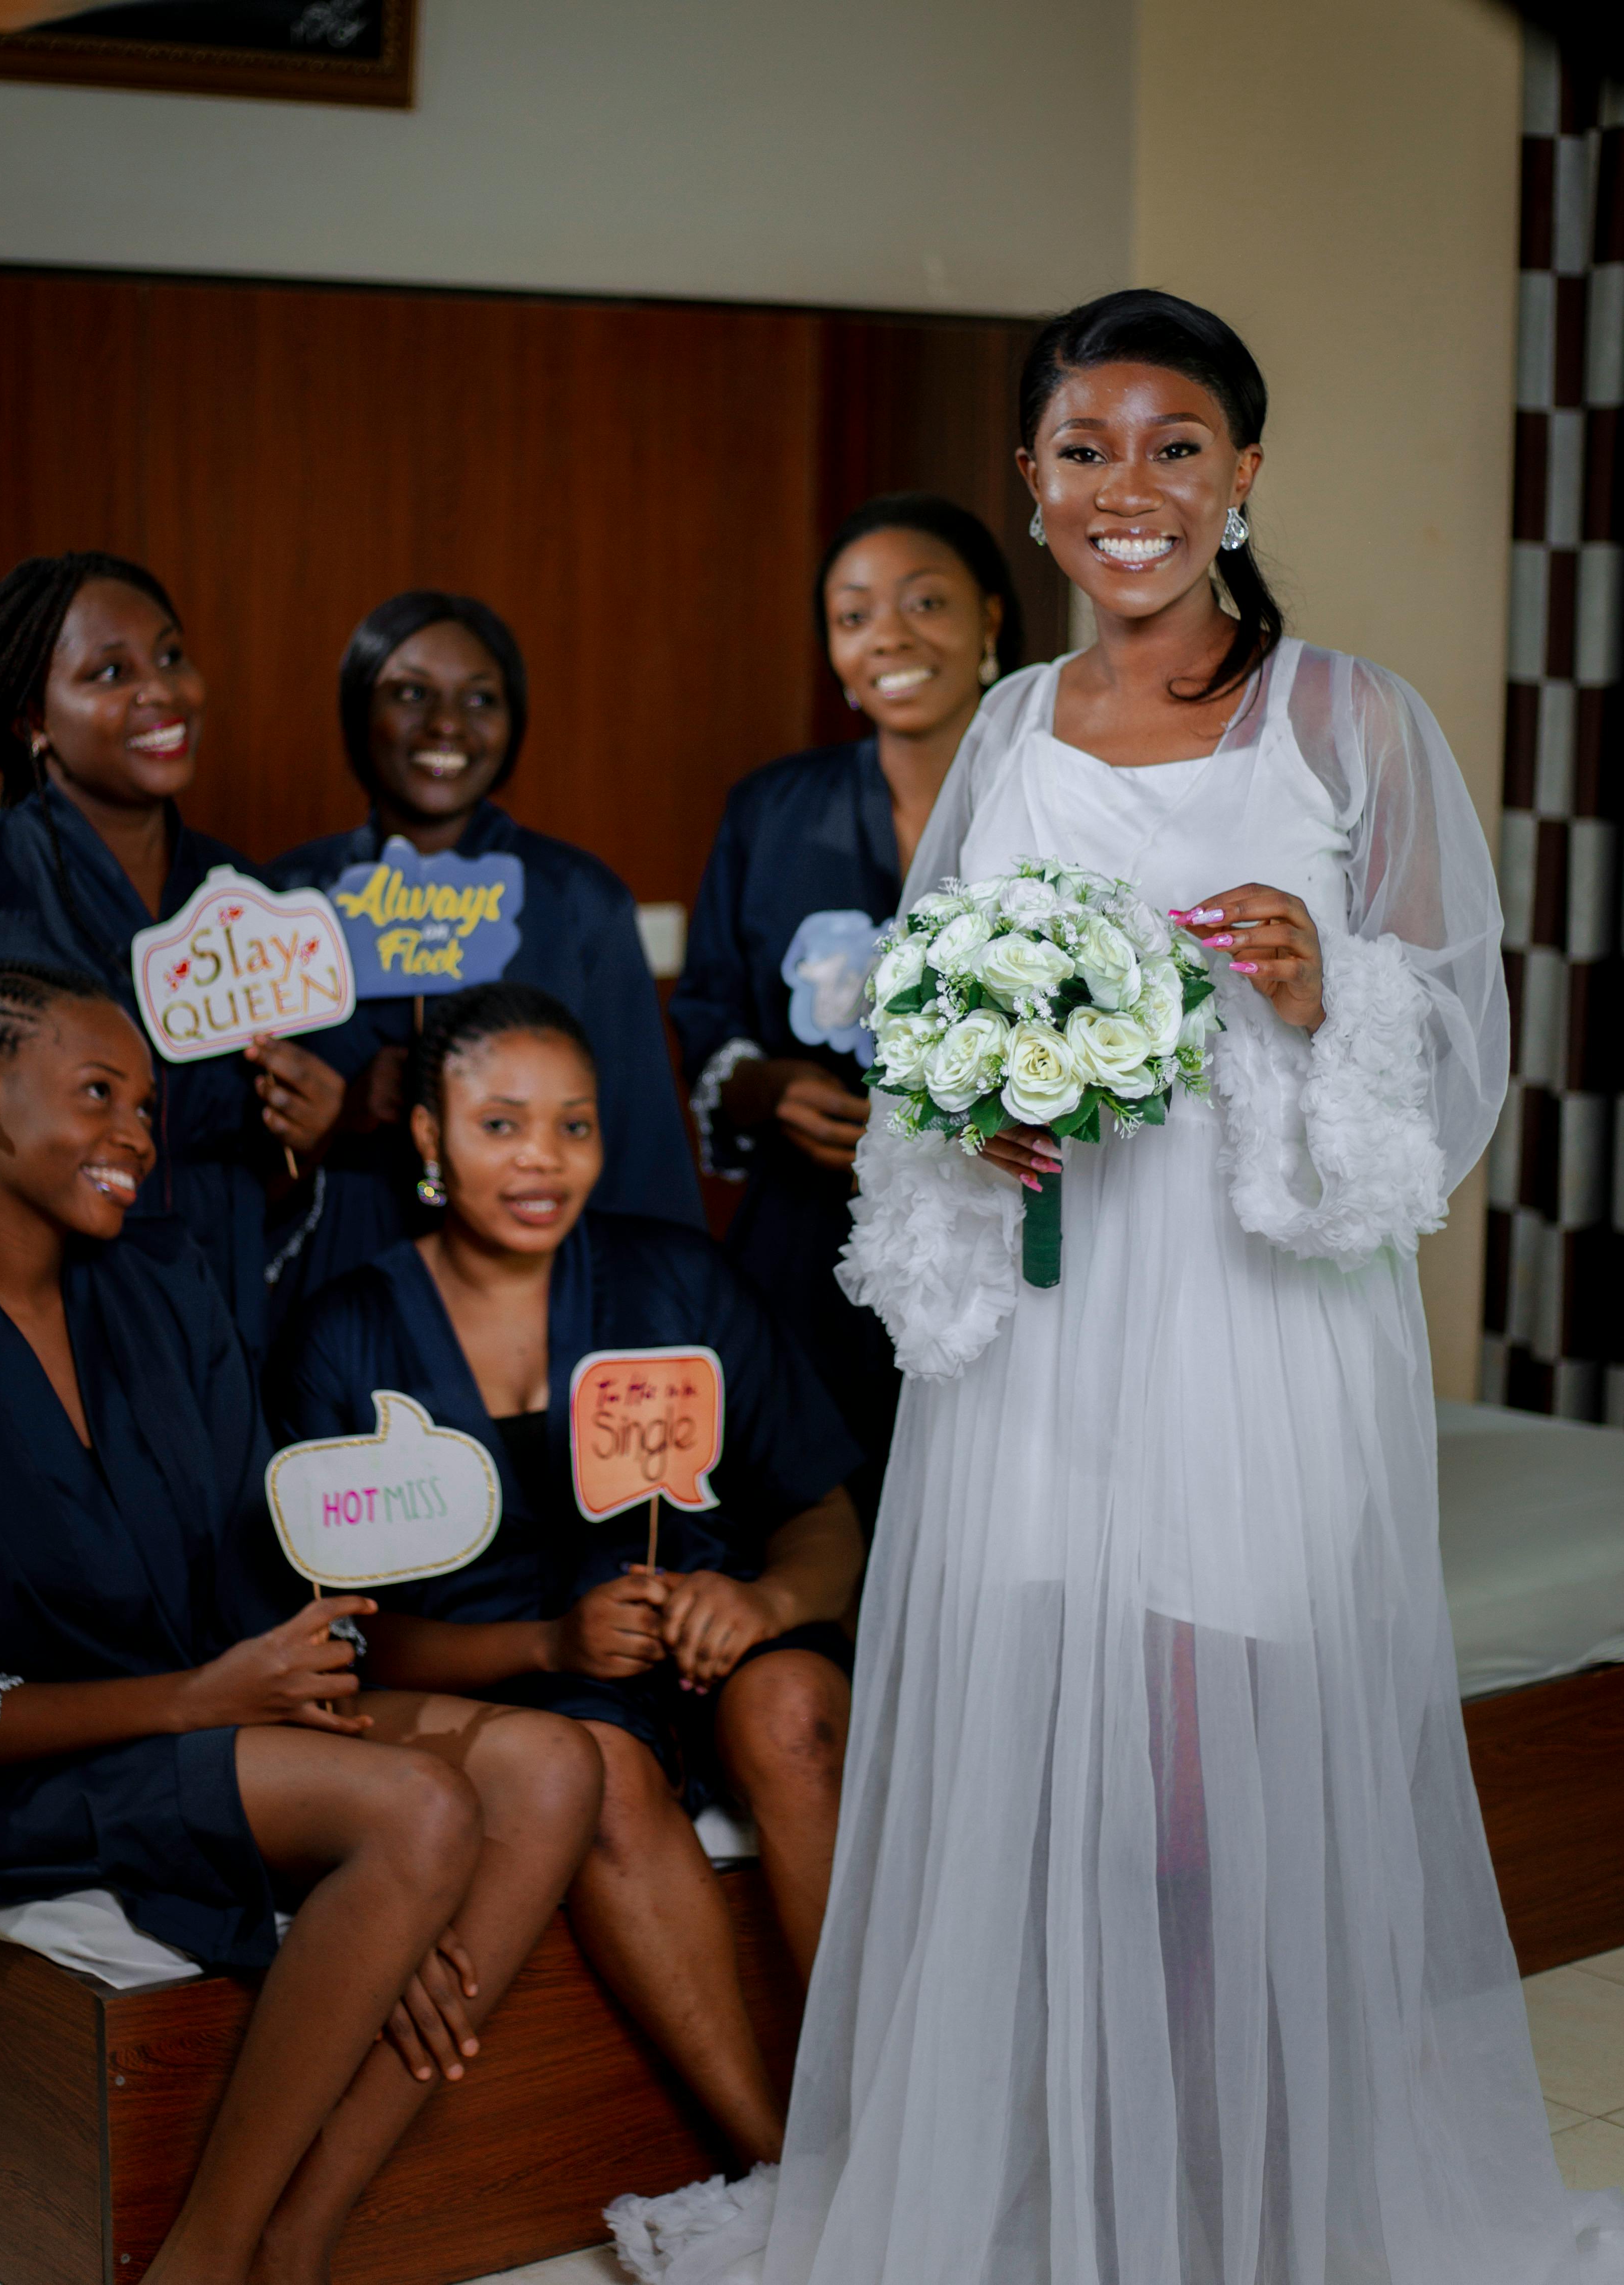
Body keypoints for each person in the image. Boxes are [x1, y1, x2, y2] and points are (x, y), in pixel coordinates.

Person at [609, 292, 1624, 2284]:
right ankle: (1090, 2204)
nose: (1129, 488)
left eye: (1175, 445)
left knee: (1223, 1797)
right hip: (1058, 1337)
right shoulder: (1005, 726)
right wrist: (970, 1126)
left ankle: (1255, 2218)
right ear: (1035, 487)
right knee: (1065, 1796)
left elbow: (1453, 1069)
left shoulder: (1351, 718)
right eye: (1086, 449)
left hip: (1259, 1330)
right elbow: (928, 1039)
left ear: (1245, 474)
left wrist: (1328, 992)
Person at [0, 964, 603, 2285]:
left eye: (152, 1110)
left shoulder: (167, 1287)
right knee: (423, 1814)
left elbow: (247, 1555)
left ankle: (304, 2225)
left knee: (557, 1762)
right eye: (99, 1093)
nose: (135, 1135)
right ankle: (210, 2259)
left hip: (220, 1704)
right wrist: (214, 1704)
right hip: (32, 1768)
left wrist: (301, 1722)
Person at [273, 982, 864, 2167]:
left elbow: (826, 1522)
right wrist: (550, 1646)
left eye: (575, 1125)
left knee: (793, 1706)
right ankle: (784, 2172)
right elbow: (341, 1646)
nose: (544, 1159)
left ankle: (892, 2113)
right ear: (431, 1136)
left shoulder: (678, 1282)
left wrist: (761, 1601)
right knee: (594, 1770)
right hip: (524, 1685)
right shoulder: (347, 1330)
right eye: (501, 1125)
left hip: (712, 1655)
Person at [0, 552, 347, 1363]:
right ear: (32, 722)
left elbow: (261, 1171)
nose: (161, 690)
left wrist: (311, 1135)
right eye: (110, 671)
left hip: (211, 1346)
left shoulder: (250, 904)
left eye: (170, 656)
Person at [668, 496, 1017, 1520]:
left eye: (926, 604)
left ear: (993, 620)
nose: (891, 638)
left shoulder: (1059, 807)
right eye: (855, 615)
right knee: (818, 1527)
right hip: (810, 1251)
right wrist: (759, 1085)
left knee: (984, 1522)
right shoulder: (771, 809)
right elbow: (707, 1011)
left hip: (1006, 1245)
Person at [266, 590, 704, 1313]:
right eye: (410, 694)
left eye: (480, 699)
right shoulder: (283, 900)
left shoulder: (579, 899)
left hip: (540, 1289)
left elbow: (641, 1147)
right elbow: (218, 1168)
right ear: (356, 713)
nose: (446, 724)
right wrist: (343, 1112)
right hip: (333, 1283)